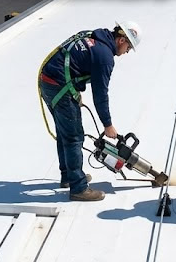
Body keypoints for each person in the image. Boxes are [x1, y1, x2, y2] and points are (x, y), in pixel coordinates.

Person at [39, 21, 142, 201]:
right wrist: (108, 125)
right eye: (128, 47)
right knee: (74, 137)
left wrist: (75, 91)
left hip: (49, 81)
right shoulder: (105, 57)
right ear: (122, 39)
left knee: (65, 134)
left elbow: (72, 61)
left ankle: (68, 176)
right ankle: (78, 187)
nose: (126, 52)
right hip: (57, 86)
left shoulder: (91, 35)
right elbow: (100, 95)